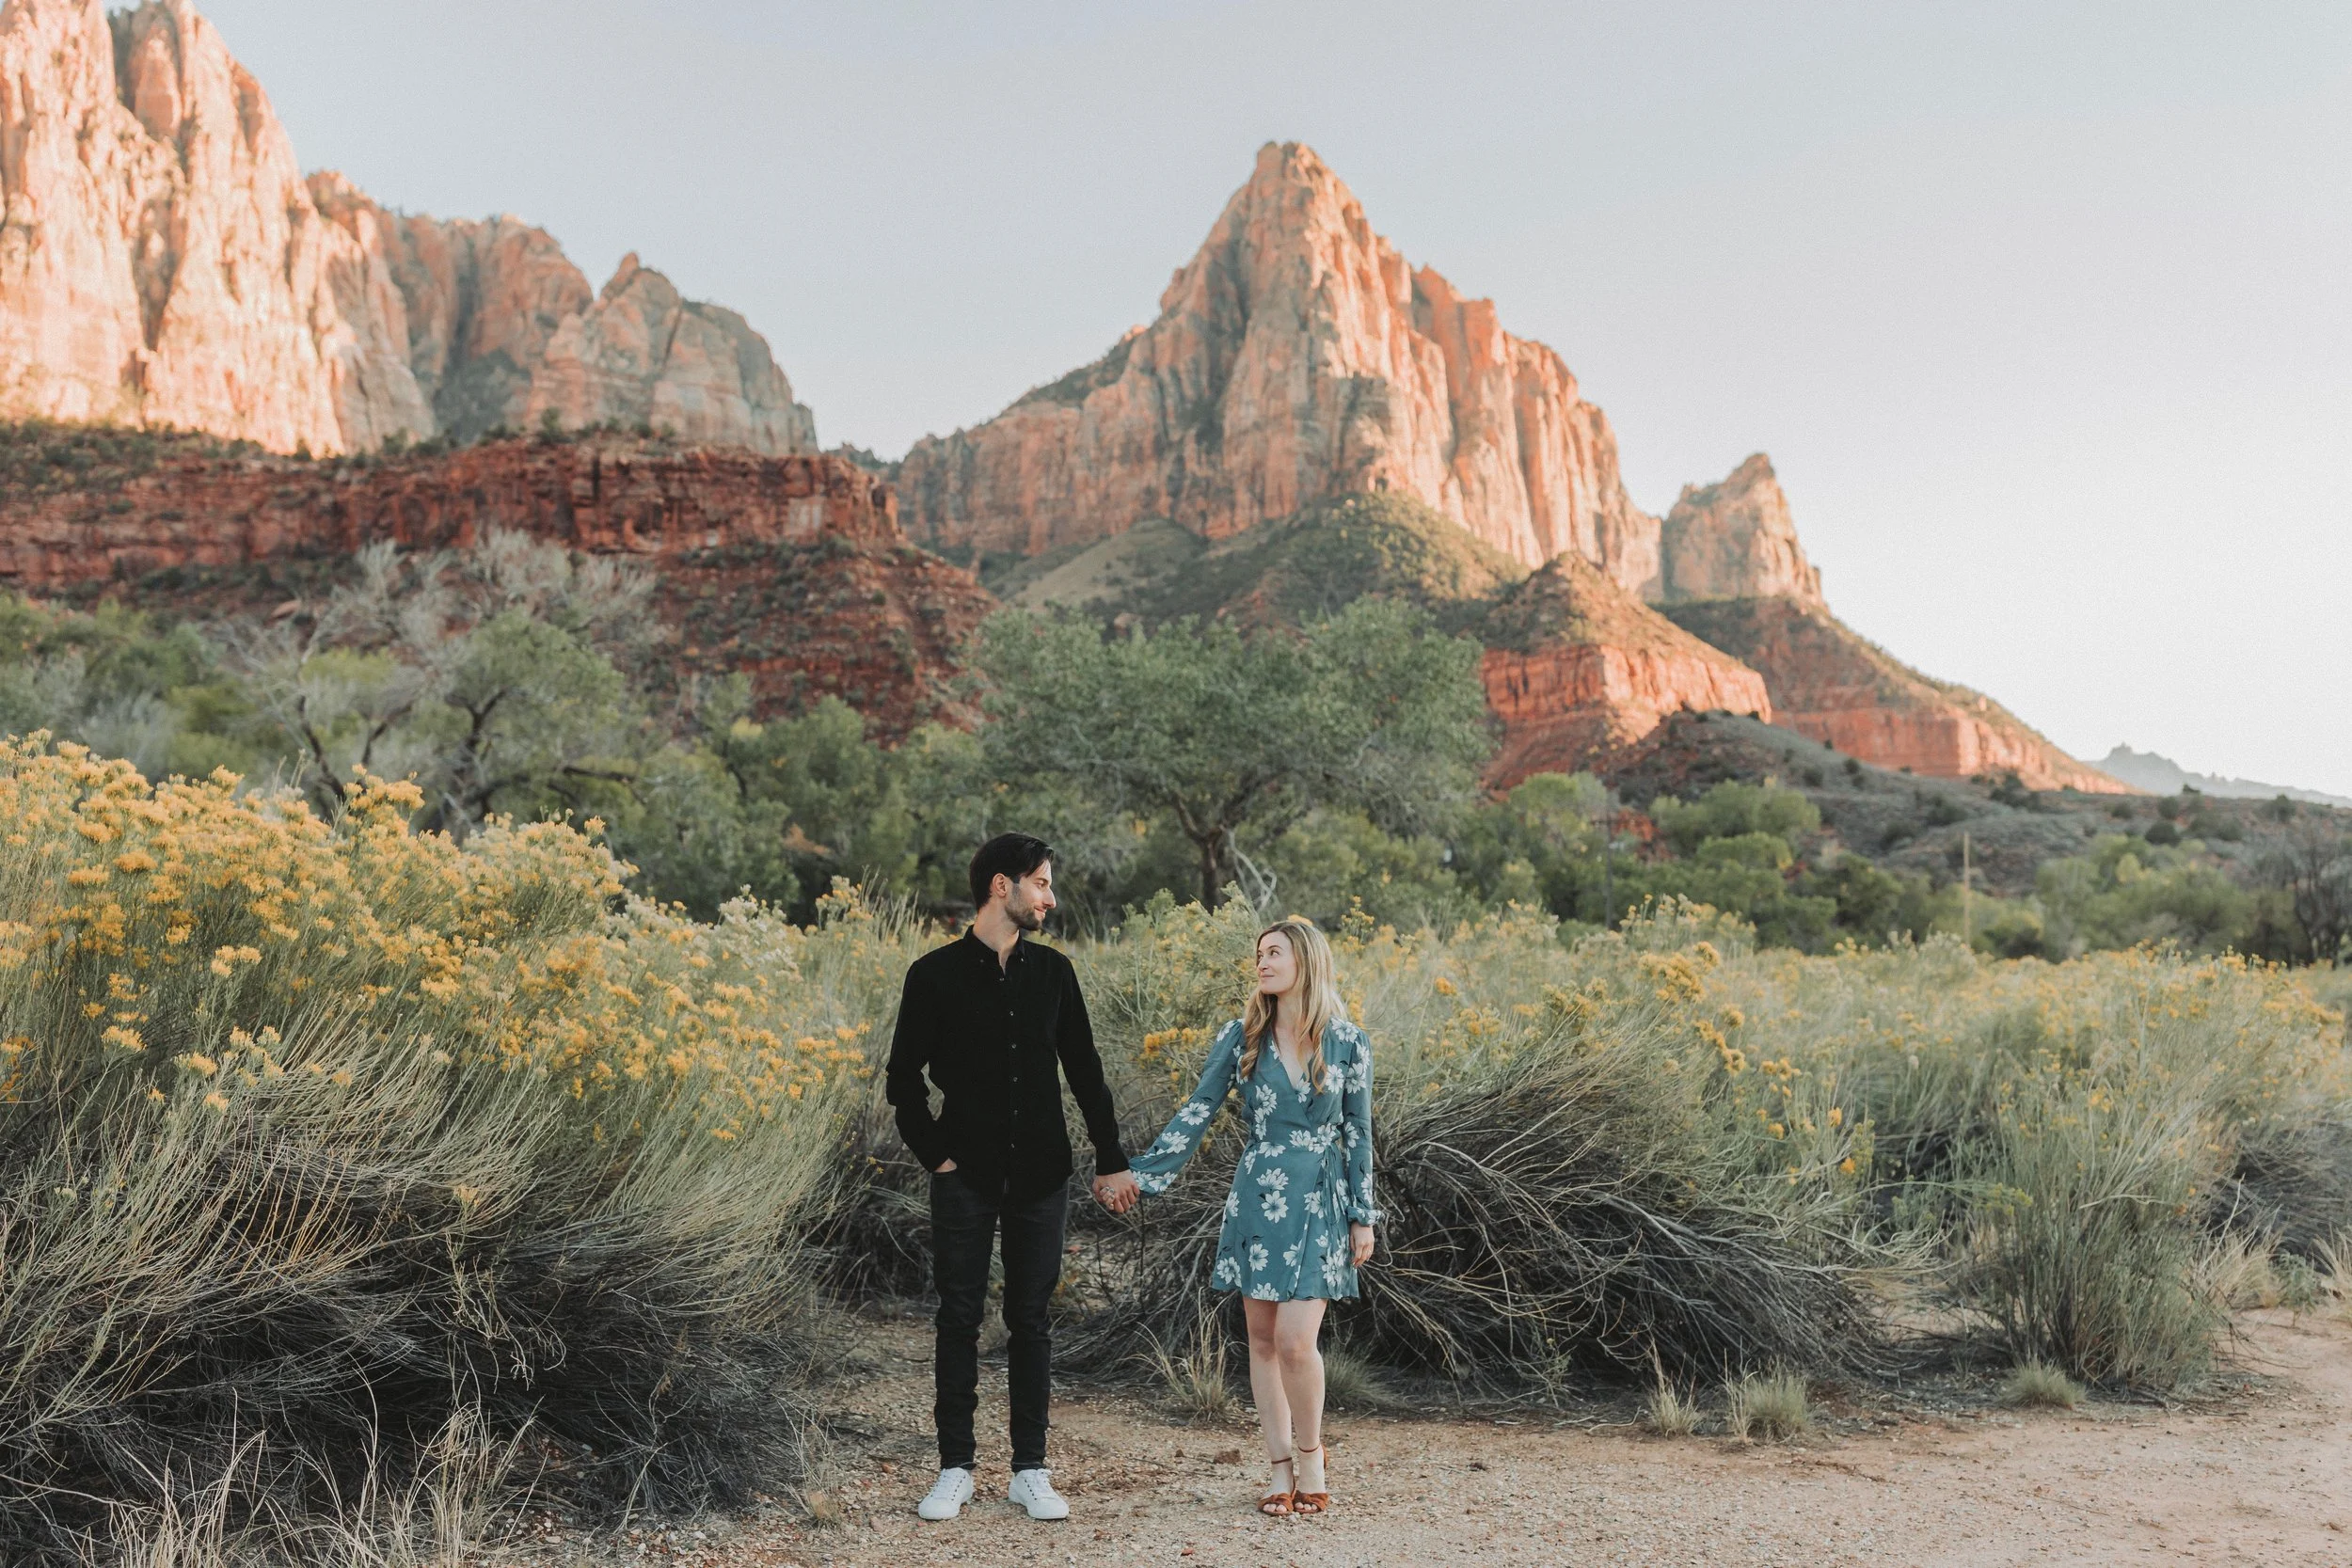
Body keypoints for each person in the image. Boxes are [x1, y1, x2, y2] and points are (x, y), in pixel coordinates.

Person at [885, 833, 1139, 1524]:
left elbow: (1085, 1071)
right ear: (1003, 885)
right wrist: (936, 1154)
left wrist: (1111, 1156)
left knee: (1031, 1321)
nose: (1051, 897)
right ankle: (955, 1468)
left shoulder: (1054, 973)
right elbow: (902, 1080)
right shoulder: (931, 975)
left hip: (1042, 1174)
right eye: (1042, 883)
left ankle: (1030, 1469)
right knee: (958, 1317)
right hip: (962, 1174)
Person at [1125, 918, 1379, 1517]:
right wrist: (1143, 1172)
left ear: (1306, 963)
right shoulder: (1240, 1037)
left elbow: (1360, 1133)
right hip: (1260, 1195)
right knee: (1262, 1341)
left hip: (1321, 1197)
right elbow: (1199, 1110)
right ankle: (1277, 1466)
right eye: (1259, 954)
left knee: (1296, 1341)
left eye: (1274, 953)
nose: (1262, 964)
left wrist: (1363, 1216)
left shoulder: (1348, 1041)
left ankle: (1312, 1455)